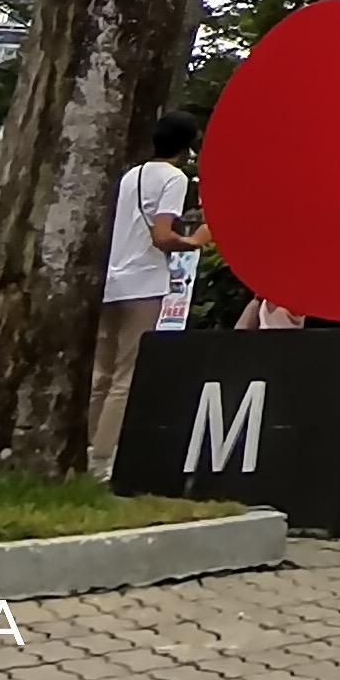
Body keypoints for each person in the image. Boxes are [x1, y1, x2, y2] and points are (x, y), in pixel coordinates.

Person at [89, 112, 205, 479]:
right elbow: (162, 236)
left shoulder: (132, 175)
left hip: (113, 279)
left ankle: (84, 448)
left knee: (101, 374)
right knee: (125, 376)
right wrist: (194, 241)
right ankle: (103, 460)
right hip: (143, 283)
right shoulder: (174, 178)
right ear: (187, 146)